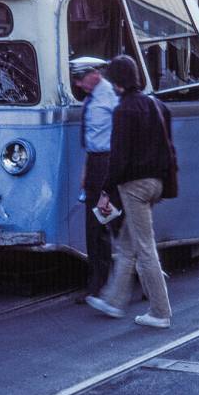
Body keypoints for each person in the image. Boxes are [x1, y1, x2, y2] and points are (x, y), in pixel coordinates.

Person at [85, 55, 175, 329]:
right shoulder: (155, 104)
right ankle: (113, 300)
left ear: (117, 82)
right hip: (156, 183)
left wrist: (105, 192)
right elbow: (168, 148)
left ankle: (160, 311)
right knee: (126, 244)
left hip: (134, 187)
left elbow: (119, 158)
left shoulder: (124, 110)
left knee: (145, 248)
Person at [72, 56, 118, 297]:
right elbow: (92, 140)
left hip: (108, 163)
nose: (78, 84)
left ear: (94, 73)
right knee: (96, 225)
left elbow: (118, 135)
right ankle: (98, 282)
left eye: (81, 78)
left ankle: (146, 276)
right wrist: (86, 170)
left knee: (108, 223)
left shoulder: (110, 96)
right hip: (95, 164)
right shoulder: (92, 98)